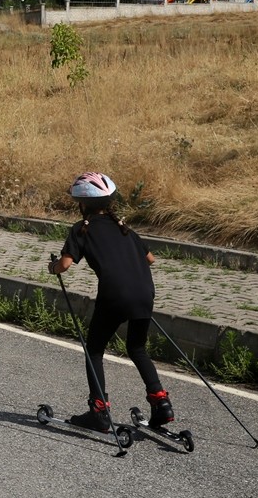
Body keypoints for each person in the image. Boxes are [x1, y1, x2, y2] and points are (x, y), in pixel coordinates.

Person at [48, 172, 175, 432]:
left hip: (114, 295)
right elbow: (151, 260)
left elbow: (64, 264)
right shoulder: (124, 228)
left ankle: (99, 410)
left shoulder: (81, 229)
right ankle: (161, 403)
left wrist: (52, 267)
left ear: (81, 203)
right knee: (138, 348)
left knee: (94, 350)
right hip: (144, 292)